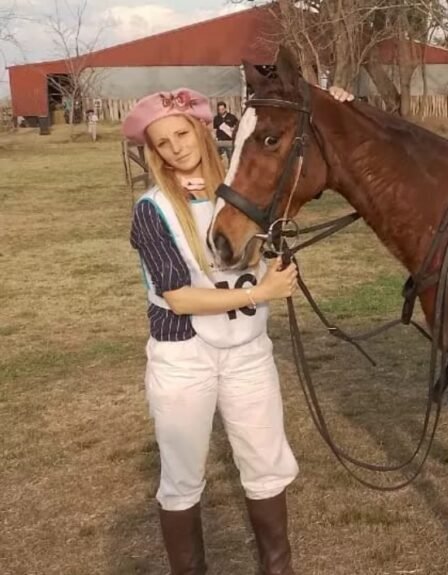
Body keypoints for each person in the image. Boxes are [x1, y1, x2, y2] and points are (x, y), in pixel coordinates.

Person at [124, 87, 301, 575]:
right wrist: (259, 293)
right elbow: (179, 298)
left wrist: (339, 99)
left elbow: (299, 136)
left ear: (201, 131)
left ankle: (278, 568)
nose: (176, 148)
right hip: (184, 356)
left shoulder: (242, 195)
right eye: (163, 143)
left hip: (248, 350)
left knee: (266, 465)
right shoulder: (153, 208)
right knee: (182, 477)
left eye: (182, 134)